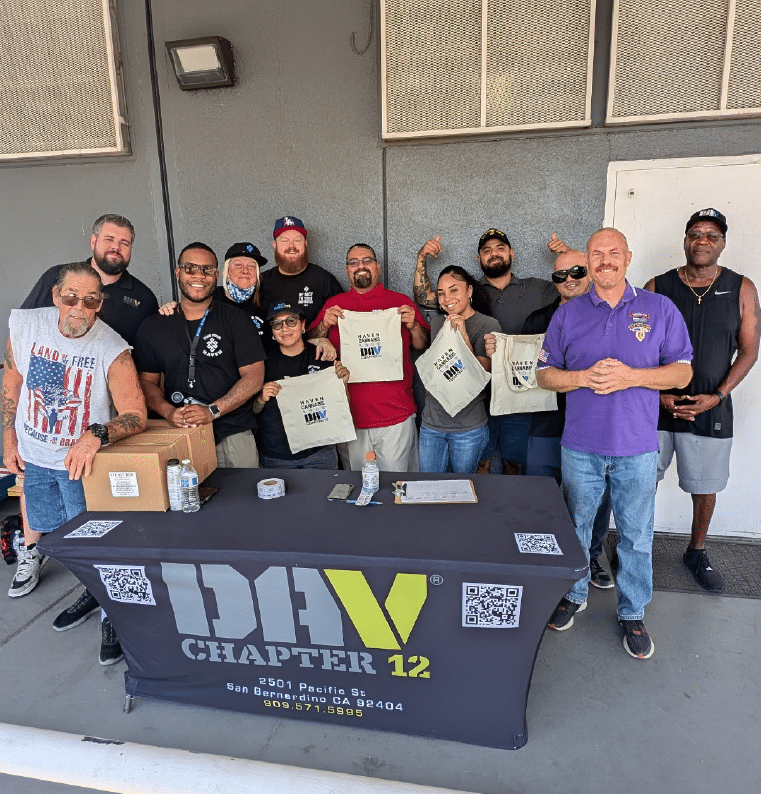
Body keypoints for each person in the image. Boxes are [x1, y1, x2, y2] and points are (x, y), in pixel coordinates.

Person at [537, 228, 693, 660]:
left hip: (637, 447)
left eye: (613, 252)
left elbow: (682, 372)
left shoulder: (658, 308)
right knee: (575, 527)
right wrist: (584, 377)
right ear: (588, 260)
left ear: (627, 257)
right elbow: (545, 374)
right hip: (580, 446)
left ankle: (632, 611)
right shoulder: (568, 314)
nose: (605, 260)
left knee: (636, 536)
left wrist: (632, 376)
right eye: (596, 253)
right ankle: (574, 593)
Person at [3, 262, 147, 664]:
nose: (78, 307)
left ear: (99, 304)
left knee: (100, 542)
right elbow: (12, 381)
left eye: (89, 300)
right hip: (36, 456)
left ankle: (112, 613)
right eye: (70, 297)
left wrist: (95, 434)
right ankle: (91, 591)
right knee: (59, 538)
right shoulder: (25, 327)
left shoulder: (111, 347)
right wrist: (8, 435)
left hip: (81, 465)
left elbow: (135, 411)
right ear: (55, 296)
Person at [644, 208, 760, 592]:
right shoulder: (657, 287)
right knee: (642, 481)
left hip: (711, 405)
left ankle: (696, 550)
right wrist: (658, 393)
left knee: (704, 486)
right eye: (696, 233)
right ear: (686, 239)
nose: (703, 240)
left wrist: (718, 395)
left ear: (722, 242)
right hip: (655, 409)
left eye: (712, 235)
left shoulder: (742, 288)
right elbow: (636, 348)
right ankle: (636, 546)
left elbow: (748, 351)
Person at [414, 230, 556, 475]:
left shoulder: (534, 288)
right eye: (486, 250)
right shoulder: (460, 298)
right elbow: (428, 297)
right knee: (481, 466)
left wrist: (569, 258)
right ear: (478, 258)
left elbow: (571, 290)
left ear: (511, 253)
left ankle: (508, 512)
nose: (494, 253)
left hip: (515, 394)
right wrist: (421, 258)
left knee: (513, 464)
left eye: (500, 248)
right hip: (475, 405)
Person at [518, 248, 614, 589]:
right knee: (540, 495)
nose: (569, 279)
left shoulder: (610, 316)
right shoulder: (537, 319)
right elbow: (519, 368)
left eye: (576, 271)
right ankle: (542, 560)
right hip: (546, 422)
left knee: (595, 497)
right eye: (560, 275)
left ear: (589, 271)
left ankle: (589, 555)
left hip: (594, 426)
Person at [134, 242, 265, 468]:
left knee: (241, 502)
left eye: (206, 270)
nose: (199, 276)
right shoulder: (153, 326)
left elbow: (254, 378)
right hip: (178, 432)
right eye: (190, 268)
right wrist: (168, 412)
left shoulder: (236, 320)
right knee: (183, 501)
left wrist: (213, 410)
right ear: (178, 272)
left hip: (231, 432)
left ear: (216, 275)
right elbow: (146, 382)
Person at [309, 243, 430, 471]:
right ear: (347, 270)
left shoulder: (398, 302)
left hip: (397, 417)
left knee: (399, 489)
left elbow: (423, 345)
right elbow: (307, 343)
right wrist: (324, 327)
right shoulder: (334, 305)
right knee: (359, 493)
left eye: (366, 261)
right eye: (353, 262)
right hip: (349, 418)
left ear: (377, 267)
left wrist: (413, 325)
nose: (360, 266)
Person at [21, 214, 159, 347]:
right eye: (109, 239)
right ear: (93, 242)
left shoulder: (145, 299)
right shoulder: (57, 276)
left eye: (124, 243)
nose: (116, 247)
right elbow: (22, 327)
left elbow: (150, 359)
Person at [418, 266, 500, 473]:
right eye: (441, 293)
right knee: (430, 489)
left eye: (454, 290)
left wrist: (463, 336)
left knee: (462, 490)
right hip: (432, 425)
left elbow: (479, 376)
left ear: (469, 291)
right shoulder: (437, 322)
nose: (447, 298)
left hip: (468, 428)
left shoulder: (488, 324)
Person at [254, 302, 350, 468]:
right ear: (272, 332)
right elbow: (252, 410)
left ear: (303, 325)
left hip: (320, 453)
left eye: (291, 321)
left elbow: (341, 407)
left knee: (324, 494)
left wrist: (343, 384)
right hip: (277, 456)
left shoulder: (323, 356)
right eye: (277, 324)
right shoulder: (263, 363)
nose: (285, 329)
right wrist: (261, 398)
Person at [259, 216, 344, 328]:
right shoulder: (261, 282)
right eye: (284, 241)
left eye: (297, 240)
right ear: (274, 245)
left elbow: (342, 322)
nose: (291, 246)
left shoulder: (324, 279)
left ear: (305, 243)